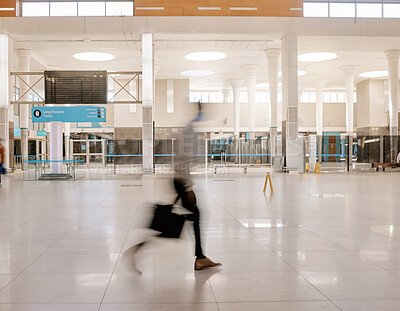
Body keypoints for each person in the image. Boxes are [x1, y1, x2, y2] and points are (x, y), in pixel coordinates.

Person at [174, 102, 221, 271]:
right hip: (181, 181)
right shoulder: (189, 131)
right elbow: (184, 159)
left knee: (193, 215)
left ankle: (200, 257)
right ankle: (200, 258)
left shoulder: (189, 129)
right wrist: (188, 187)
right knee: (192, 215)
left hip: (179, 179)